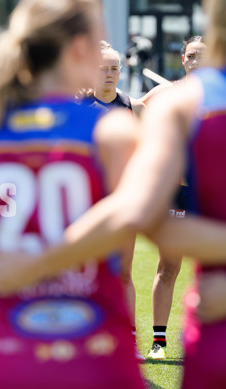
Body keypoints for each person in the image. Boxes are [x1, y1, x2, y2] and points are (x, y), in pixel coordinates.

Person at [0, 0, 226, 389]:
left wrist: (41, 259)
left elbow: (146, 215)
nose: (110, 72)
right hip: (198, 324)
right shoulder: (166, 110)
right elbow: (148, 216)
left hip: (15, 349)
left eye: (115, 66)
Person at [0, 1, 148, 389]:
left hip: (4, 365)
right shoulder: (114, 132)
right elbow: (146, 215)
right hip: (100, 365)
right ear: (80, 47)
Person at [139, 36, 205, 360]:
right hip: (178, 191)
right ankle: (159, 343)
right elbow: (130, 111)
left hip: (211, 191)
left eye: (203, 57)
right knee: (169, 267)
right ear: (183, 59)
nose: (197, 61)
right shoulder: (165, 93)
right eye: (192, 56)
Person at [82, 40, 144, 359]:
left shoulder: (134, 108)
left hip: (122, 203)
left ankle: (128, 340)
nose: (109, 74)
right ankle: (88, 338)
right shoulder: (77, 107)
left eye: (114, 69)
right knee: (85, 273)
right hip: (85, 204)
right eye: (103, 69)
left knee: (122, 273)